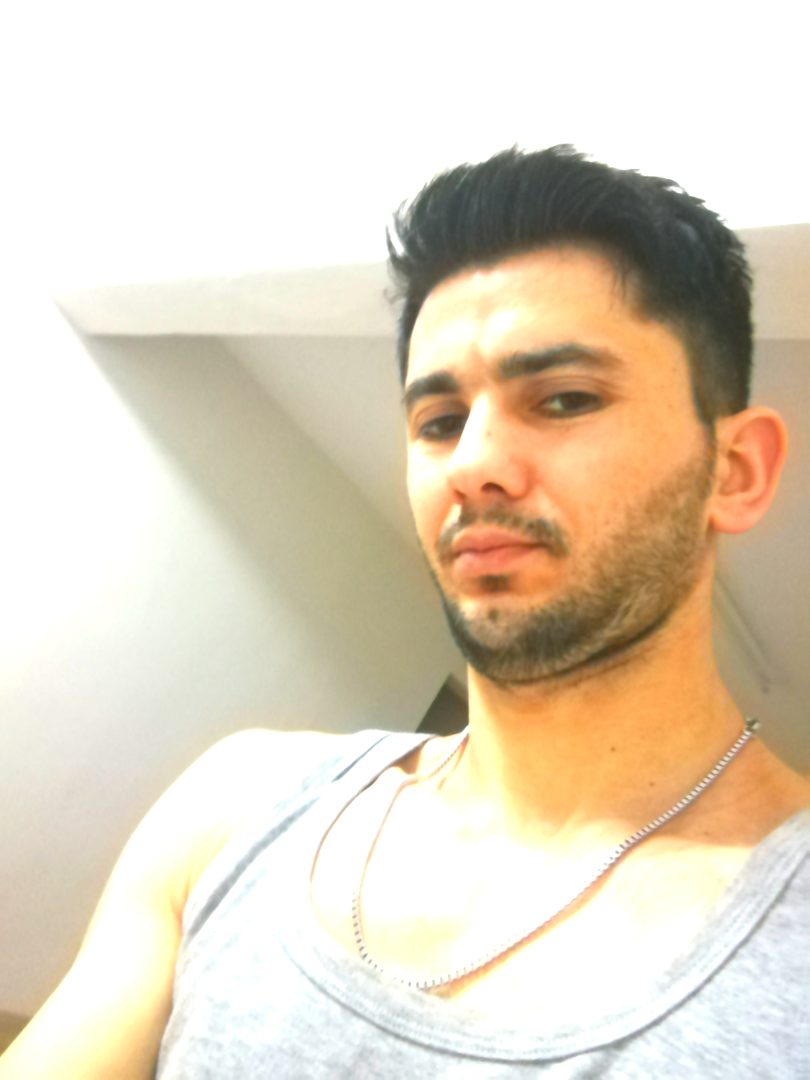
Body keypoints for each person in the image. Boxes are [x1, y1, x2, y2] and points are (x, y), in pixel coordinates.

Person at [2, 146, 808, 1078]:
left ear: (734, 472)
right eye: (438, 422)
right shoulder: (236, 808)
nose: (473, 463)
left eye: (564, 399)